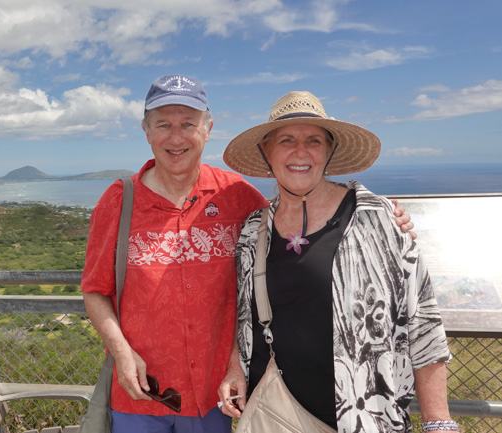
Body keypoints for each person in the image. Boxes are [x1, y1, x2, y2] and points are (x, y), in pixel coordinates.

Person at [81, 77, 415, 433]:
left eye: (188, 124)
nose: (176, 137)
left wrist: (377, 213)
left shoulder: (237, 196)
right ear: (147, 131)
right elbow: (95, 290)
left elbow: (292, 226)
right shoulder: (118, 201)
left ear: (207, 129)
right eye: (163, 124)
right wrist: (121, 352)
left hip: (217, 398)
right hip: (140, 396)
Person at [217, 91, 455, 432]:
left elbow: (422, 322)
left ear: (329, 151)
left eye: (314, 140)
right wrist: (236, 368)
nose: (301, 152)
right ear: (266, 152)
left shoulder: (375, 219)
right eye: (286, 140)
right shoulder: (254, 230)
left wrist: (438, 421)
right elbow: (246, 316)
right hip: (274, 416)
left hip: (366, 419)